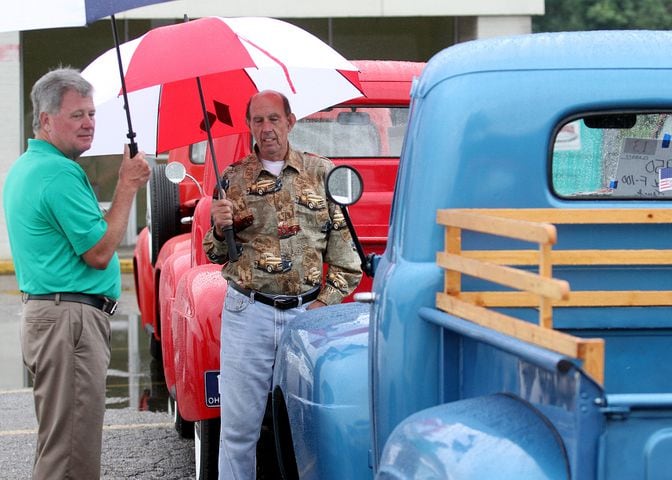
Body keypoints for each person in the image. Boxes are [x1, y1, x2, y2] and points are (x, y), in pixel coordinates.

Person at [203, 90, 363, 479]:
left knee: (308, 429)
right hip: (248, 314)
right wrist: (219, 226)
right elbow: (215, 254)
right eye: (258, 120)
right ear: (249, 126)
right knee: (239, 432)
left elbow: (348, 262)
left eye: (274, 118)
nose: (266, 128)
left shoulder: (321, 173)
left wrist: (320, 309)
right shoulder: (233, 180)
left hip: (307, 317)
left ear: (291, 122)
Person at [2, 67, 151, 479]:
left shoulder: (28, 166)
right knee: (71, 457)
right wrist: (126, 186)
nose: (88, 123)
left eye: (91, 113)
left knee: (60, 447)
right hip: (69, 323)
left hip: (54, 318)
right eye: (76, 115)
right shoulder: (57, 173)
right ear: (46, 120)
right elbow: (101, 253)